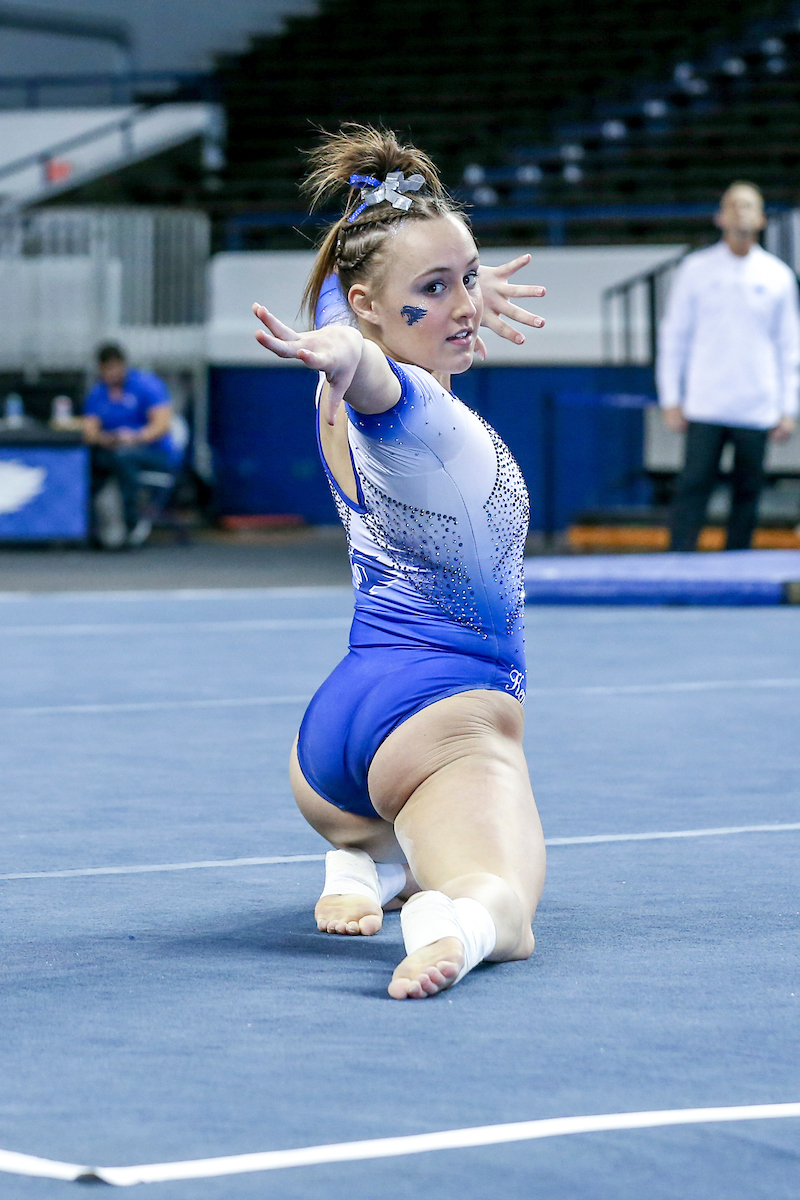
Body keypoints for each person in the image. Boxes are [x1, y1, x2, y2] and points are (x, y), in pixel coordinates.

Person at [253, 125, 547, 1000]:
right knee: (510, 904)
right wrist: (353, 353)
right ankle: (448, 917)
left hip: (334, 745)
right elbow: (369, 368)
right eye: (436, 288)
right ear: (372, 308)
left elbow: (349, 325)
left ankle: (369, 863)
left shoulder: (332, 391)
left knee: (413, 832)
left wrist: (437, 289)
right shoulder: (414, 413)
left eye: (468, 276)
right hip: (442, 720)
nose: (463, 304)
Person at [657, 181, 799, 551]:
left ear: (763, 218)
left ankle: (739, 566)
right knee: (693, 487)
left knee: (747, 494)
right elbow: (674, 337)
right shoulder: (695, 270)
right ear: (720, 216)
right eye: (733, 205)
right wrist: (671, 398)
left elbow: (790, 347)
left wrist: (789, 409)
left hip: (756, 406)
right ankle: (677, 567)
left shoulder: (778, 276)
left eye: (750, 205)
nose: (741, 211)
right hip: (706, 402)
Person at [83, 344, 180, 547]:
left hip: (154, 453)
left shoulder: (147, 385)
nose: (111, 374)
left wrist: (134, 437)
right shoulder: (98, 392)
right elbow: (90, 432)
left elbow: (162, 425)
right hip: (114, 451)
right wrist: (107, 438)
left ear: (123, 365)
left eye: (115, 368)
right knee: (92, 459)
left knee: (123, 456)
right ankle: (91, 527)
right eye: (106, 370)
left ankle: (131, 522)